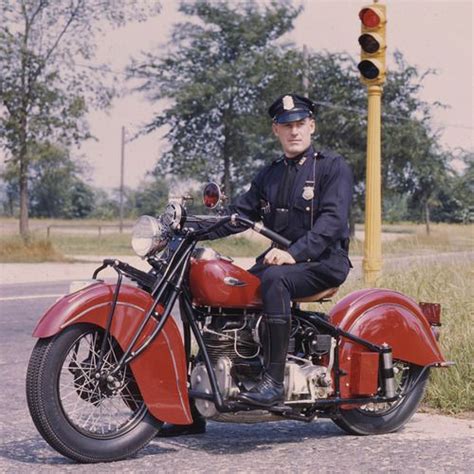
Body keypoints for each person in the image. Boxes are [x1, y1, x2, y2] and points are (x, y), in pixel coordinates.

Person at [158, 93, 353, 437]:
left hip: (324, 261)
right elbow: (237, 218)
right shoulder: (271, 175)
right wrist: (187, 227)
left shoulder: (331, 167)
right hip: (283, 262)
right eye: (286, 125)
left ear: (312, 126)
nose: (294, 131)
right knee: (233, 289)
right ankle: (204, 395)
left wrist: (294, 252)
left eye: (300, 124)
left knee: (275, 279)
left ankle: (273, 382)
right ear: (275, 129)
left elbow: (333, 222)